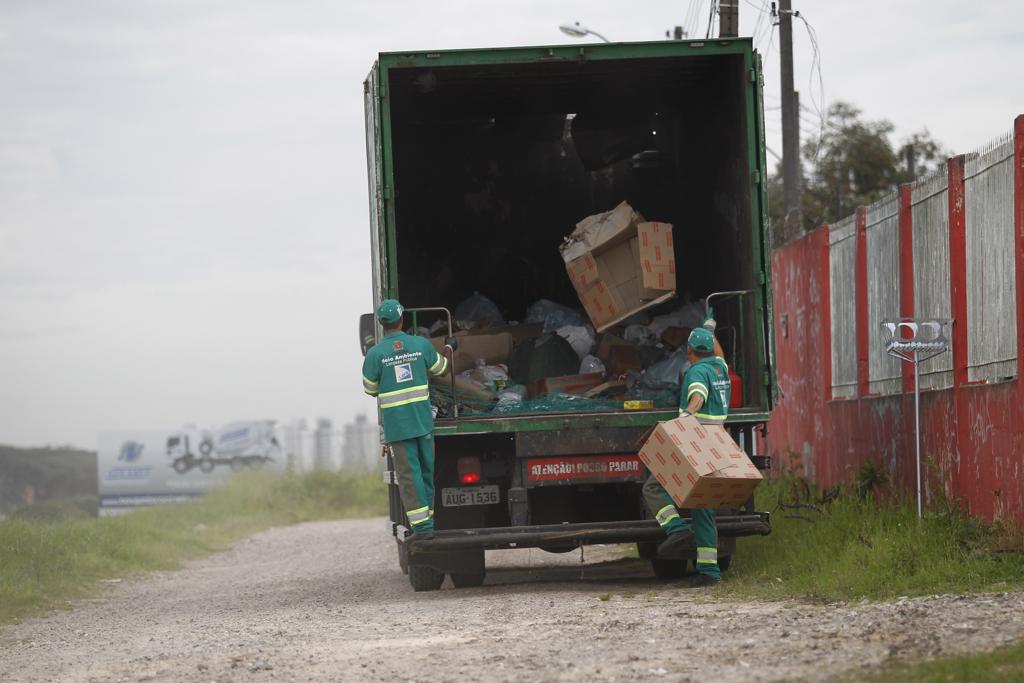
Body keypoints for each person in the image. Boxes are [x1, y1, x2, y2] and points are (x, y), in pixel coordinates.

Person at [642, 323, 731, 588]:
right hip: (717, 440)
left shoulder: (696, 373)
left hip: (694, 438)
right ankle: (709, 572)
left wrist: (686, 416)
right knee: (703, 506)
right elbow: (720, 353)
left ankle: (677, 530)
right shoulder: (720, 368)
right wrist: (710, 329)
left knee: (654, 486)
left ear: (689, 350)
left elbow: (697, 397)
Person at [361, 299, 451, 538]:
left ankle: (423, 528)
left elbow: (370, 389)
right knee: (426, 473)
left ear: (381, 323)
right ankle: (427, 522)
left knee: (409, 477)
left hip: (398, 428)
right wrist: (449, 348)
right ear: (402, 319)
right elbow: (442, 370)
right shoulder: (420, 345)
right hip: (422, 422)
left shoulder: (375, 354)